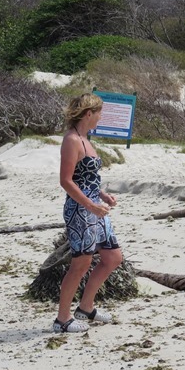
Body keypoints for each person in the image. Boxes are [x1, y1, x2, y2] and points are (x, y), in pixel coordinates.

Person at [53, 93, 123, 333]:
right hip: (80, 210)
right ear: (88, 113)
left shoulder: (86, 139)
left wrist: (102, 195)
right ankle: (62, 320)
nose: (101, 117)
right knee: (80, 264)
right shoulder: (72, 139)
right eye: (99, 112)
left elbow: (86, 179)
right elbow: (66, 181)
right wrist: (90, 205)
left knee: (113, 258)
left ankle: (85, 307)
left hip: (95, 208)